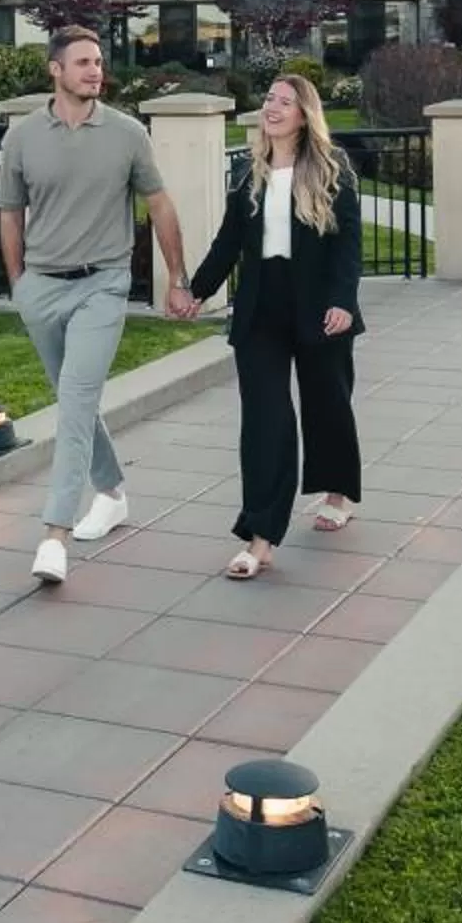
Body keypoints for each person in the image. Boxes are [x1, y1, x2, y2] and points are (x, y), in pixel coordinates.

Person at [0, 26, 193, 586]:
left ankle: (54, 535)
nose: (95, 70)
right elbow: (10, 212)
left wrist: (175, 278)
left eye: (99, 62)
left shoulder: (128, 134)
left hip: (102, 286)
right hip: (42, 287)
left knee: (76, 400)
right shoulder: (24, 137)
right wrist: (19, 285)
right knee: (73, 397)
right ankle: (111, 493)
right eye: (82, 62)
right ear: (54, 70)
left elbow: (159, 205)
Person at [176, 71, 363, 578]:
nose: (273, 107)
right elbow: (228, 243)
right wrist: (195, 290)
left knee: (327, 403)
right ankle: (260, 537)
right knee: (266, 420)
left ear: (304, 114)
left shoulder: (332, 168)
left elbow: (348, 245)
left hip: (320, 304)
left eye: (285, 101)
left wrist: (344, 301)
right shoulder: (248, 171)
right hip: (262, 308)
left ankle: (337, 491)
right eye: (269, 99)